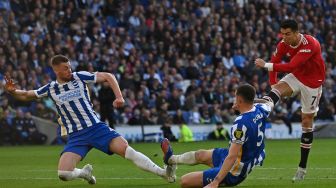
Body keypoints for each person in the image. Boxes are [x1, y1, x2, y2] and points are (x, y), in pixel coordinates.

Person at [4, 55, 175, 184]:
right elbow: (27, 95)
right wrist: (13, 92)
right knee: (63, 174)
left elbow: (108, 76)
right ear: (56, 71)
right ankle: (84, 173)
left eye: (70, 67)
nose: (69, 70)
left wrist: (119, 97)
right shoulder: (51, 88)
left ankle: (163, 173)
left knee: (128, 152)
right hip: (77, 136)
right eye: (65, 68)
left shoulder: (79, 77)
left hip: (95, 128)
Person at [161, 84, 274, 188]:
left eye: (235, 98)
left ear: (239, 100)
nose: (234, 100)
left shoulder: (241, 123)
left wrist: (216, 181)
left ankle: (219, 180)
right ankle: (171, 159)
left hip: (234, 171)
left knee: (185, 181)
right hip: (235, 157)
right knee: (201, 154)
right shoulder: (261, 109)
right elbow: (270, 101)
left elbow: (232, 156)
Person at [255, 19, 325, 181]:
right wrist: (274, 84)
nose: (284, 37)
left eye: (287, 34)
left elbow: (291, 65)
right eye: (282, 34)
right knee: (277, 89)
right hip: (297, 76)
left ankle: (302, 167)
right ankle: (262, 111)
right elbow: (276, 62)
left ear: (296, 32)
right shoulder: (282, 44)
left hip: (313, 83)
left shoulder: (311, 44)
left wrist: (265, 65)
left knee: (306, 122)